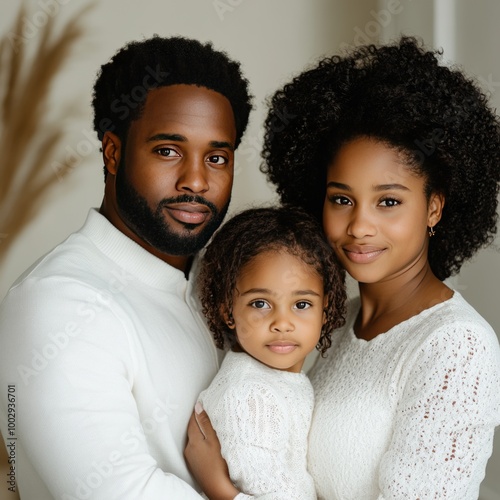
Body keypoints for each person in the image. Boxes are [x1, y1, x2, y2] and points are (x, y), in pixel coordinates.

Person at [185, 36, 500, 499]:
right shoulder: (337, 318)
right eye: (341, 199)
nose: (359, 226)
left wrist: (221, 491)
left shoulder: (456, 347)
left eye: (388, 201)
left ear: (434, 208)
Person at [0, 35, 252, 499]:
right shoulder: (58, 300)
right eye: (168, 151)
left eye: (216, 158)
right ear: (113, 152)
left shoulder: (215, 289)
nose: (196, 180)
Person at [195, 206, 346, 499]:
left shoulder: (277, 380)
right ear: (228, 310)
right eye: (260, 303)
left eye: (302, 304)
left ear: (324, 310)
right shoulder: (251, 396)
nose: (282, 324)